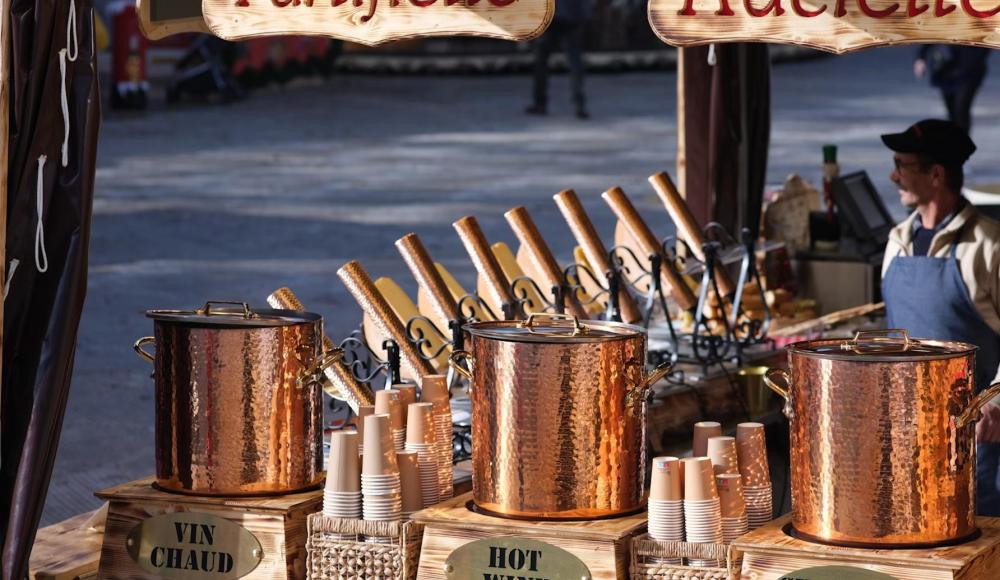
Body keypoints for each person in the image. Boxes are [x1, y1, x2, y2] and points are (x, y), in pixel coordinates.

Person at [880, 119, 1000, 515]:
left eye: (903, 165)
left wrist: (997, 406)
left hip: (974, 435)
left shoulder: (988, 245)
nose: (894, 175)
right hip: (906, 431)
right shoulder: (897, 241)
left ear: (936, 174)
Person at [525, 0, 592, 119]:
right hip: (574, 16)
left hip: (553, 16)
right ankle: (579, 103)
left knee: (541, 59)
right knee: (575, 61)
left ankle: (540, 102)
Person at [914, 45, 990, 134]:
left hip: (970, 71)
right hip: (946, 70)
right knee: (952, 112)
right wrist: (921, 57)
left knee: (961, 110)